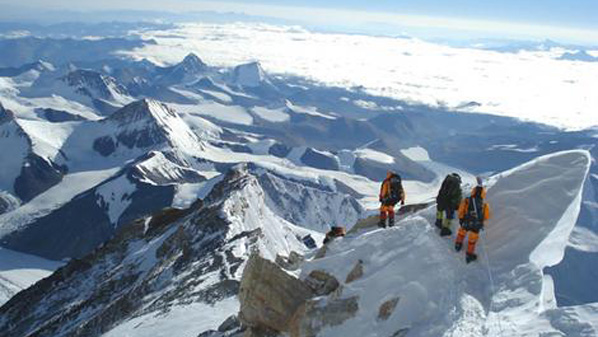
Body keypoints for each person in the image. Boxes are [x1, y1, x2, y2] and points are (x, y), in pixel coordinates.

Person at [455, 177, 491, 263]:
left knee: (462, 232)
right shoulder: (485, 204)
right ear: (483, 194)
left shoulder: (467, 200)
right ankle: (469, 254)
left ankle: (458, 245)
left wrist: (461, 218)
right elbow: (486, 216)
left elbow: (461, 209)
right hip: (476, 224)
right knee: (472, 239)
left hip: (466, 221)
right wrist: (480, 220)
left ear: (473, 191)